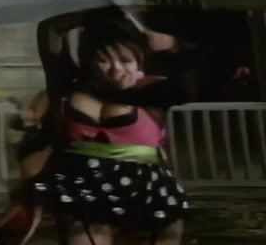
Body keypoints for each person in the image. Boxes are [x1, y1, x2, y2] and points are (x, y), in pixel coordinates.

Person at [30, 14, 197, 245]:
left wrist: (164, 42)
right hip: (82, 187)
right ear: (89, 61)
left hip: (145, 190)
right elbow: (49, 30)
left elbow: (188, 80)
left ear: (140, 61)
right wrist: (100, 11)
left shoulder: (154, 89)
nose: (116, 69)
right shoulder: (69, 85)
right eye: (104, 61)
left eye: (126, 61)